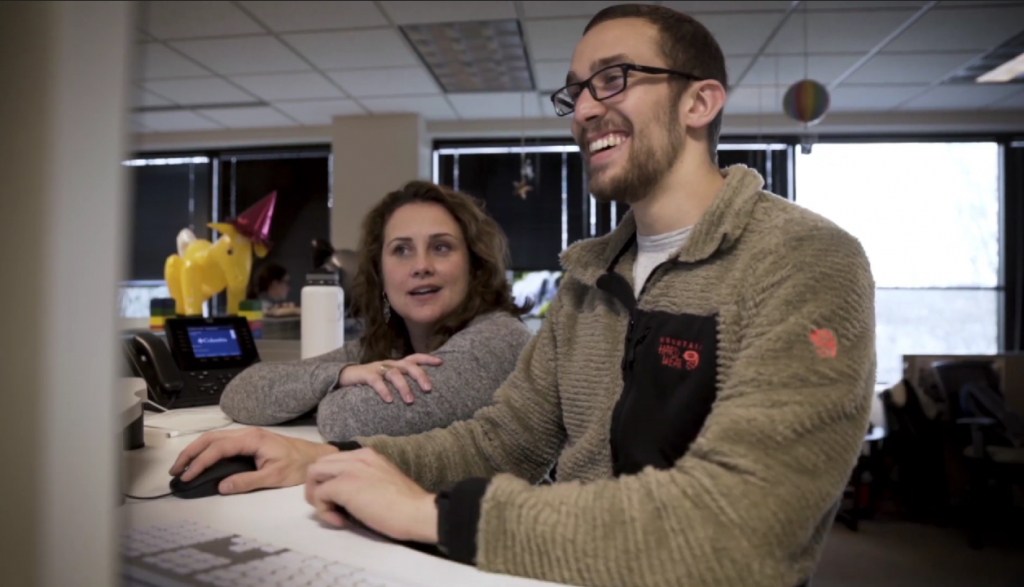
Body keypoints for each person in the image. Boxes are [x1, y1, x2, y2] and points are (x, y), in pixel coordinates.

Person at [172, 5, 876, 587]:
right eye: (577, 92)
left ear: (700, 101)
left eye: (615, 79)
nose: (585, 111)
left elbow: (741, 527)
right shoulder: (587, 280)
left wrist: (435, 515)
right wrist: (338, 463)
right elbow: (504, 439)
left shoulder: (804, 259)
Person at [219, 181, 533, 444]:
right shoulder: (390, 347)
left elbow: (344, 418)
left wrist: (314, 394)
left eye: (441, 247)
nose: (421, 266)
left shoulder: (500, 338)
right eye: (401, 250)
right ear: (380, 274)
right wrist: (339, 374)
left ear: (473, 265)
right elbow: (239, 392)